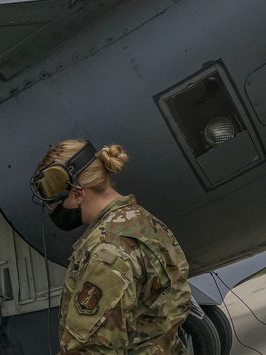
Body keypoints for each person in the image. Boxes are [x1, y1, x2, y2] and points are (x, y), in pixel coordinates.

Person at [30, 140, 191, 355]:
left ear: (77, 194)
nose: (52, 210)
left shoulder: (107, 252)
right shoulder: (141, 220)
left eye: (53, 203)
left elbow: (92, 349)